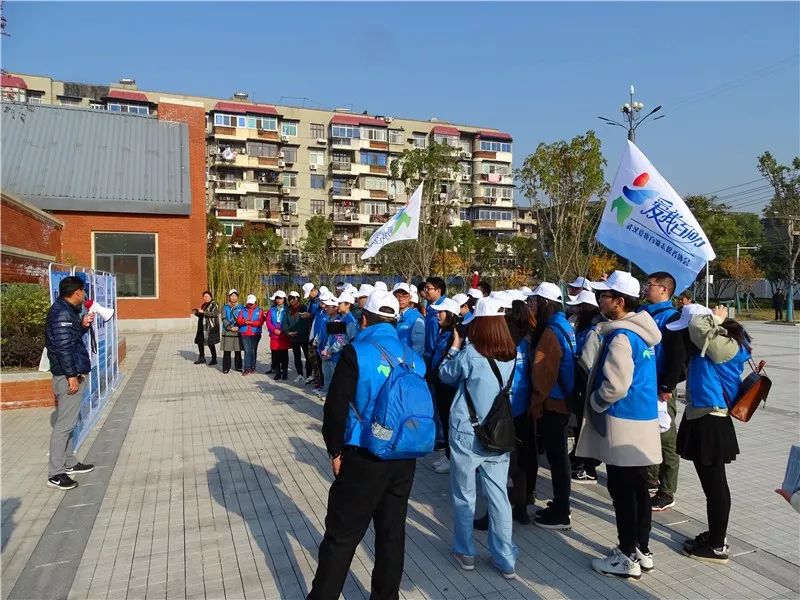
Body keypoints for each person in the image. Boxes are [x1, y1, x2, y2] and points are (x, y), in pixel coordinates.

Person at [309, 290, 423, 600]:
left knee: (342, 537)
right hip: (403, 458)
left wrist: (335, 450)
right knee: (391, 536)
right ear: (394, 320)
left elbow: (335, 408)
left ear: (363, 319)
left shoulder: (356, 352)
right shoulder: (412, 358)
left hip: (363, 455)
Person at [576, 270, 662, 580]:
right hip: (642, 421)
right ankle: (641, 549)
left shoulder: (621, 336)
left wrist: (596, 403)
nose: (600, 300)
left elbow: (616, 386)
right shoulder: (642, 333)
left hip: (622, 421)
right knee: (638, 490)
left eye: (604, 295)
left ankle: (626, 557)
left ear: (619, 301)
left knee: (623, 492)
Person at [439, 297, 518, 580]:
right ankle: (505, 557)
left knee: (464, 495)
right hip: (498, 433)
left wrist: (455, 347)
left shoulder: (471, 355)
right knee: (498, 496)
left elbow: (444, 375)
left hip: (466, 432)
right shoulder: (513, 355)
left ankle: (466, 551)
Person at [672, 304, 750, 564]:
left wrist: (713, 318)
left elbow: (697, 327)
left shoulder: (724, 345)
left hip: (712, 421)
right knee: (713, 485)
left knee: (715, 486)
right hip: (703, 417)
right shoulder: (716, 343)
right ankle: (716, 534)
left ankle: (717, 545)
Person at [527, 282, 576, 530]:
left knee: (557, 458)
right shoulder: (563, 325)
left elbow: (545, 375)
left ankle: (561, 510)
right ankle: (560, 504)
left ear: (545, 303)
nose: (530, 306)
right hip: (562, 400)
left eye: (534, 301)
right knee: (559, 457)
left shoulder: (551, 333)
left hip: (554, 403)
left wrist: (538, 403)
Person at [640, 272, 687, 512]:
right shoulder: (644, 312)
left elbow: (678, 356)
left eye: (650, 285)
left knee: (666, 439)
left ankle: (667, 490)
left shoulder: (672, 317)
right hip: (643, 386)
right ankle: (650, 478)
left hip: (660, 389)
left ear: (664, 290)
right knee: (647, 434)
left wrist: (668, 386)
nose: (646, 288)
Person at [44, 275, 96, 490]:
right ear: (76, 292)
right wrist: (71, 376)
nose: (84, 295)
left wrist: (82, 325)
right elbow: (64, 348)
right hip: (68, 376)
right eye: (83, 291)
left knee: (69, 423)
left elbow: (70, 339)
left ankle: (69, 463)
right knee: (64, 427)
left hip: (71, 371)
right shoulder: (61, 314)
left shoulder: (66, 311)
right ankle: (55, 474)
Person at [566, 290, 602, 483]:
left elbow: (588, 361)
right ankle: (580, 459)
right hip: (581, 383)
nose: (575, 309)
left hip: (587, 384)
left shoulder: (593, 330)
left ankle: (588, 467)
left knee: (586, 426)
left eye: (579, 306)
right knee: (581, 425)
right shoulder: (583, 327)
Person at [506, 299, 534, 523]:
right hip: (524, 404)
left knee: (502, 461)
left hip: (506, 407)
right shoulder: (529, 337)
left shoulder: (504, 339)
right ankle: (522, 506)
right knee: (522, 461)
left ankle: (501, 508)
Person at [426, 297, 461, 475]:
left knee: (448, 421)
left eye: (441, 311)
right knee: (444, 419)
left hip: (448, 387)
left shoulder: (454, 337)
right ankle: (447, 454)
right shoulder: (443, 333)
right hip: (439, 384)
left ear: (451, 314)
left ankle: (450, 456)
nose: (437, 314)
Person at [320, 292, 359, 395]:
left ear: (348, 304)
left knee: (338, 384)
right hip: (331, 355)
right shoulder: (341, 318)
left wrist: (330, 350)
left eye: (340, 303)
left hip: (338, 357)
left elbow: (344, 341)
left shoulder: (350, 321)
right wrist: (326, 348)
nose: (338, 305)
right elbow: (332, 335)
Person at [312, 294, 338, 396]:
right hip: (324, 351)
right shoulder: (327, 318)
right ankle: (326, 392)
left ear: (335, 308)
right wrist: (317, 340)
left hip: (333, 354)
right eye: (326, 306)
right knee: (326, 375)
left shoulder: (338, 320)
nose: (326, 308)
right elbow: (322, 332)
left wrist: (329, 349)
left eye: (329, 306)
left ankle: (331, 395)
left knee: (333, 377)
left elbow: (339, 339)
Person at [284, 291, 311, 383]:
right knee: (297, 356)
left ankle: (309, 375)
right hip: (293, 337)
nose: (292, 300)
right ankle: (300, 374)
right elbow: (285, 323)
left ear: (298, 298)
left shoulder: (304, 308)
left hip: (304, 336)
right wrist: (288, 332)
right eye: (290, 298)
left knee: (308, 356)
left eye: (294, 298)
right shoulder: (288, 310)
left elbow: (305, 323)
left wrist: (298, 331)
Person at [265, 291, 291, 380]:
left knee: (284, 355)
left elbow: (289, 322)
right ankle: (278, 372)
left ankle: (285, 372)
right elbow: (268, 322)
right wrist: (274, 330)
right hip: (274, 336)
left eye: (281, 298)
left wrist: (283, 330)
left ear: (284, 299)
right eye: (277, 298)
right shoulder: (271, 310)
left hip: (284, 335)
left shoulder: (288, 310)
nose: (279, 300)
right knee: (275, 355)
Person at [393, 283, 425, 355]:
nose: (401, 299)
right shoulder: (391, 316)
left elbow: (418, 348)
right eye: (398, 296)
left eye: (405, 296)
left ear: (410, 297)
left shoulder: (416, 319)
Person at [237, 294, 265, 375]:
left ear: (255, 302)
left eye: (252, 303)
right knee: (247, 350)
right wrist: (244, 322)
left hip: (255, 333)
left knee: (253, 350)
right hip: (244, 333)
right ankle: (247, 368)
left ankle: (253, 367)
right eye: (249, 303)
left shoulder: (259, 311)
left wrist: (252, 323)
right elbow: (239, 320)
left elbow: (261, 322)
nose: (250, 305)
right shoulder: (243, 310)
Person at [423, 277, 448, 367]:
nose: (425, 291)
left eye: (428, 288)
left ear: (438, 291)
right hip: (428, 352)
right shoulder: (430, 306)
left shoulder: (445, 307)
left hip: (437, 355)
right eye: (425, 288)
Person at [193, 291, 220, 365]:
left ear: (211, 297)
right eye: (204, 296)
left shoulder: (214, 304)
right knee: (199, 341)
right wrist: (197, 313)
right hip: (202, 326)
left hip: (210, 327)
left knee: (210, 343)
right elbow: (202, 315)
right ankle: (202, 358)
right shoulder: (204, 304)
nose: (205, 298)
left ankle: (214, 359)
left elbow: (215, 314)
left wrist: (203, 312)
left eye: (207, 296)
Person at [221, 290, 243, 374]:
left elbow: (243, 318)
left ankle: (238, 366)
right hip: (228, 332)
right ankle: (226, 367)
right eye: (232, 296)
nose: (233, 297)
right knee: (227, 351)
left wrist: (238, 327)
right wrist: (230, 327)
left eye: (235, 296)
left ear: (237, 297)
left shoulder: (241, 307)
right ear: (229, 297)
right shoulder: (225, 307)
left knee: (238, 350)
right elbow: (223, 318)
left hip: (238, 330)